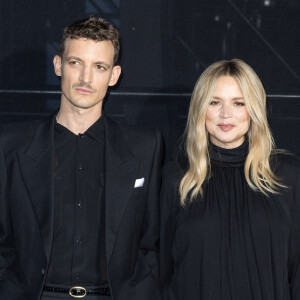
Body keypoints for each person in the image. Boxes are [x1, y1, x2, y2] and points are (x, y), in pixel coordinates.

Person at [0, 16, 163, 300]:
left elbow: (153, 240)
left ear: (114, 75)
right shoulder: (11, 145)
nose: (86, 79)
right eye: (76, 63)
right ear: (58, 65)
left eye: (99, 67)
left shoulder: (144, 147)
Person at [160, 59, 300, 300]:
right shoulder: (176, 178)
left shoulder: (287, 176)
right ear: (200, 109)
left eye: (238, 103)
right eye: (214, 102)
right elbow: (160, 270)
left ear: (254, 109)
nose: (226, 114)